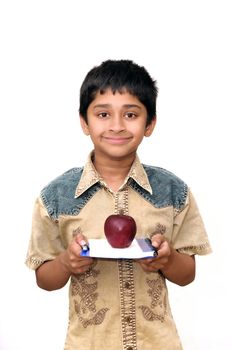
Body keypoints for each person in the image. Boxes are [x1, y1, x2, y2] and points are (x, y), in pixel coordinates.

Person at [25, 59, 212, 350]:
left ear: (149, 123)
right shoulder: (56, 196)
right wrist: (66, 262)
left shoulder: (174, 192)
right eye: (102, 114)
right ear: (84, 122)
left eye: (131, 114)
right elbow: (44, 279)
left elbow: (187, 274)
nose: (116, 125)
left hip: (157, 343)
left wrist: (167, 259)